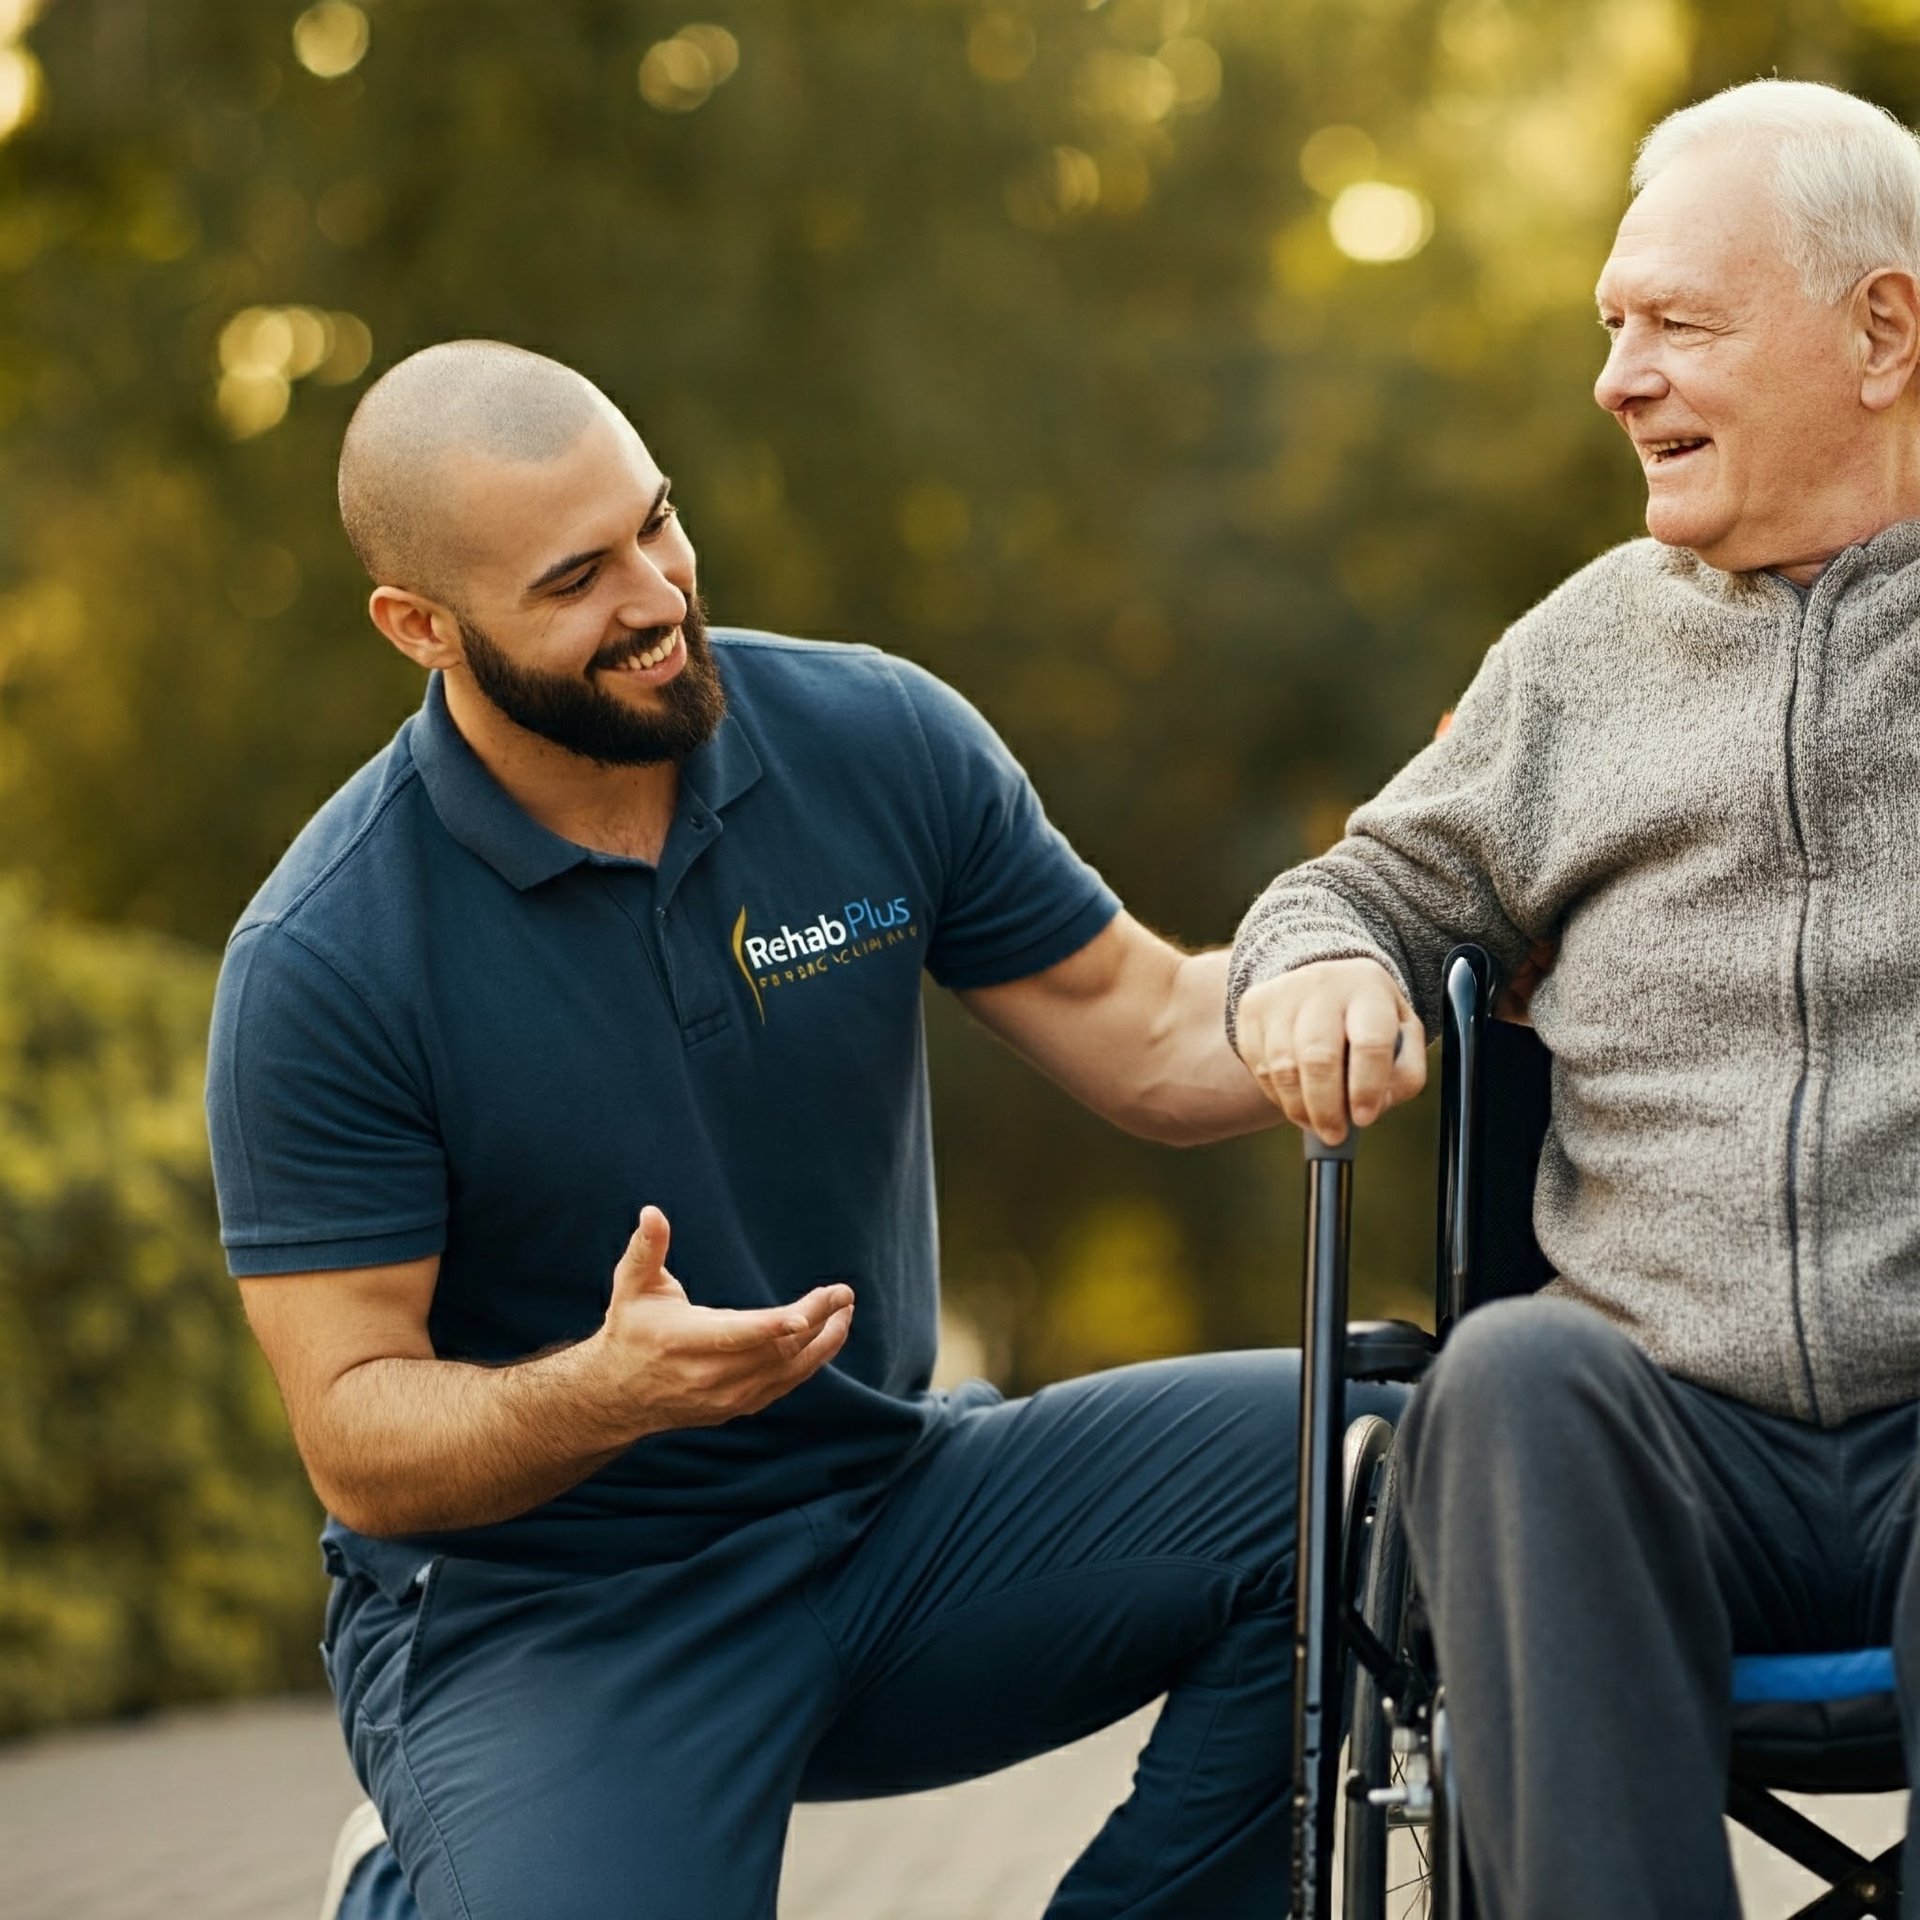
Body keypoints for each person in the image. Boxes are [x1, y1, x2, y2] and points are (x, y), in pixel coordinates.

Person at [206, 339, 1399, 1920]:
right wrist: (601, 1394)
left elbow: (1161, 1035)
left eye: (657, 522)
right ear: (422, 628)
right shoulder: (328, 957)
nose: (654, 594)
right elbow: (358, 1441)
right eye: (576, 578)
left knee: (1387, 1468)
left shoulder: (874, 734)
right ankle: (418, 1880)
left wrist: (1397, 935)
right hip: (552, 1615)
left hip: (892, 1513)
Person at [1228, 78, 1920, 1918]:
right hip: (1661, 1449)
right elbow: (1353, 885)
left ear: (1882, 330)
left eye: (1676, 323)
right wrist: (1315, 969)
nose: (1617, 378)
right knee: (1508, 1378)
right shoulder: (1583, 653)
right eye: (1612, 325)